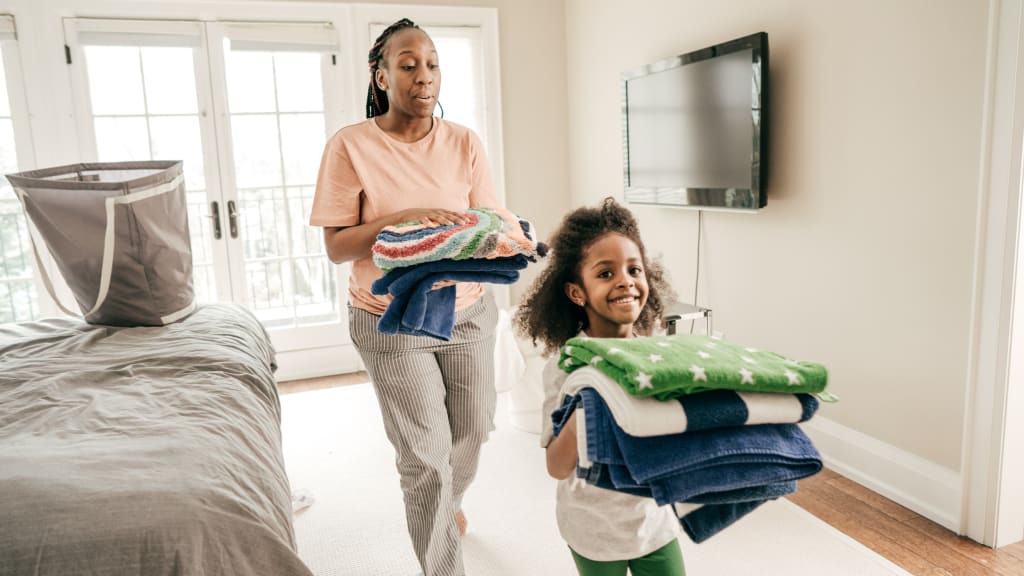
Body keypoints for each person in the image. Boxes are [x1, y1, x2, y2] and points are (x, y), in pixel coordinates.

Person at [309, 18, 500, 576]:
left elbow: (487, 219)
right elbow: (339, 247)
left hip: (467, 308)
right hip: (389, 317)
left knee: (473, 430)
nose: (424, 76)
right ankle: (442, 563)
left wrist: (513, 238)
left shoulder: (464, 141)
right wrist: (402, 219)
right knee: (425, 460)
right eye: (409, 64)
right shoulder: (351, 146)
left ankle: (447, 508)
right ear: (382, 74)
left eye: (433, 64)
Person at [514, 197, 686, 576]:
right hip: (593, 530)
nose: (625, 280)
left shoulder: (655, 356)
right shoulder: (567, 369)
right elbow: (557, 467)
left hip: (655, 525)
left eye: (634, 269)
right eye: (606, 274)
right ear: (577, 292)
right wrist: (586, 410)